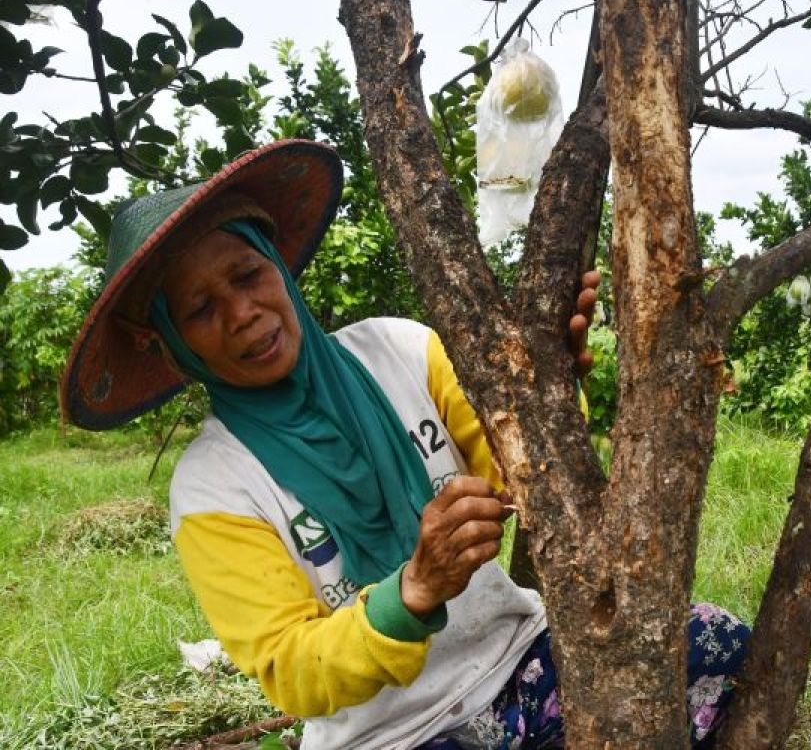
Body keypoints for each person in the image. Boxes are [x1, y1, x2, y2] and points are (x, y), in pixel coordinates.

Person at [60, 140, 748, 748]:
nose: (242, 314)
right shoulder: (214, 486)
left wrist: (547, 391)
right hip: (395, 733)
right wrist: (413, 591)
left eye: (247, 275)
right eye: (200, 310)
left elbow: (520, 476)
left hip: (517, 658)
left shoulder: (401, 349)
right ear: (175, 346)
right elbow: (291, 668)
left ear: (277, 266)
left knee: (713, 644)